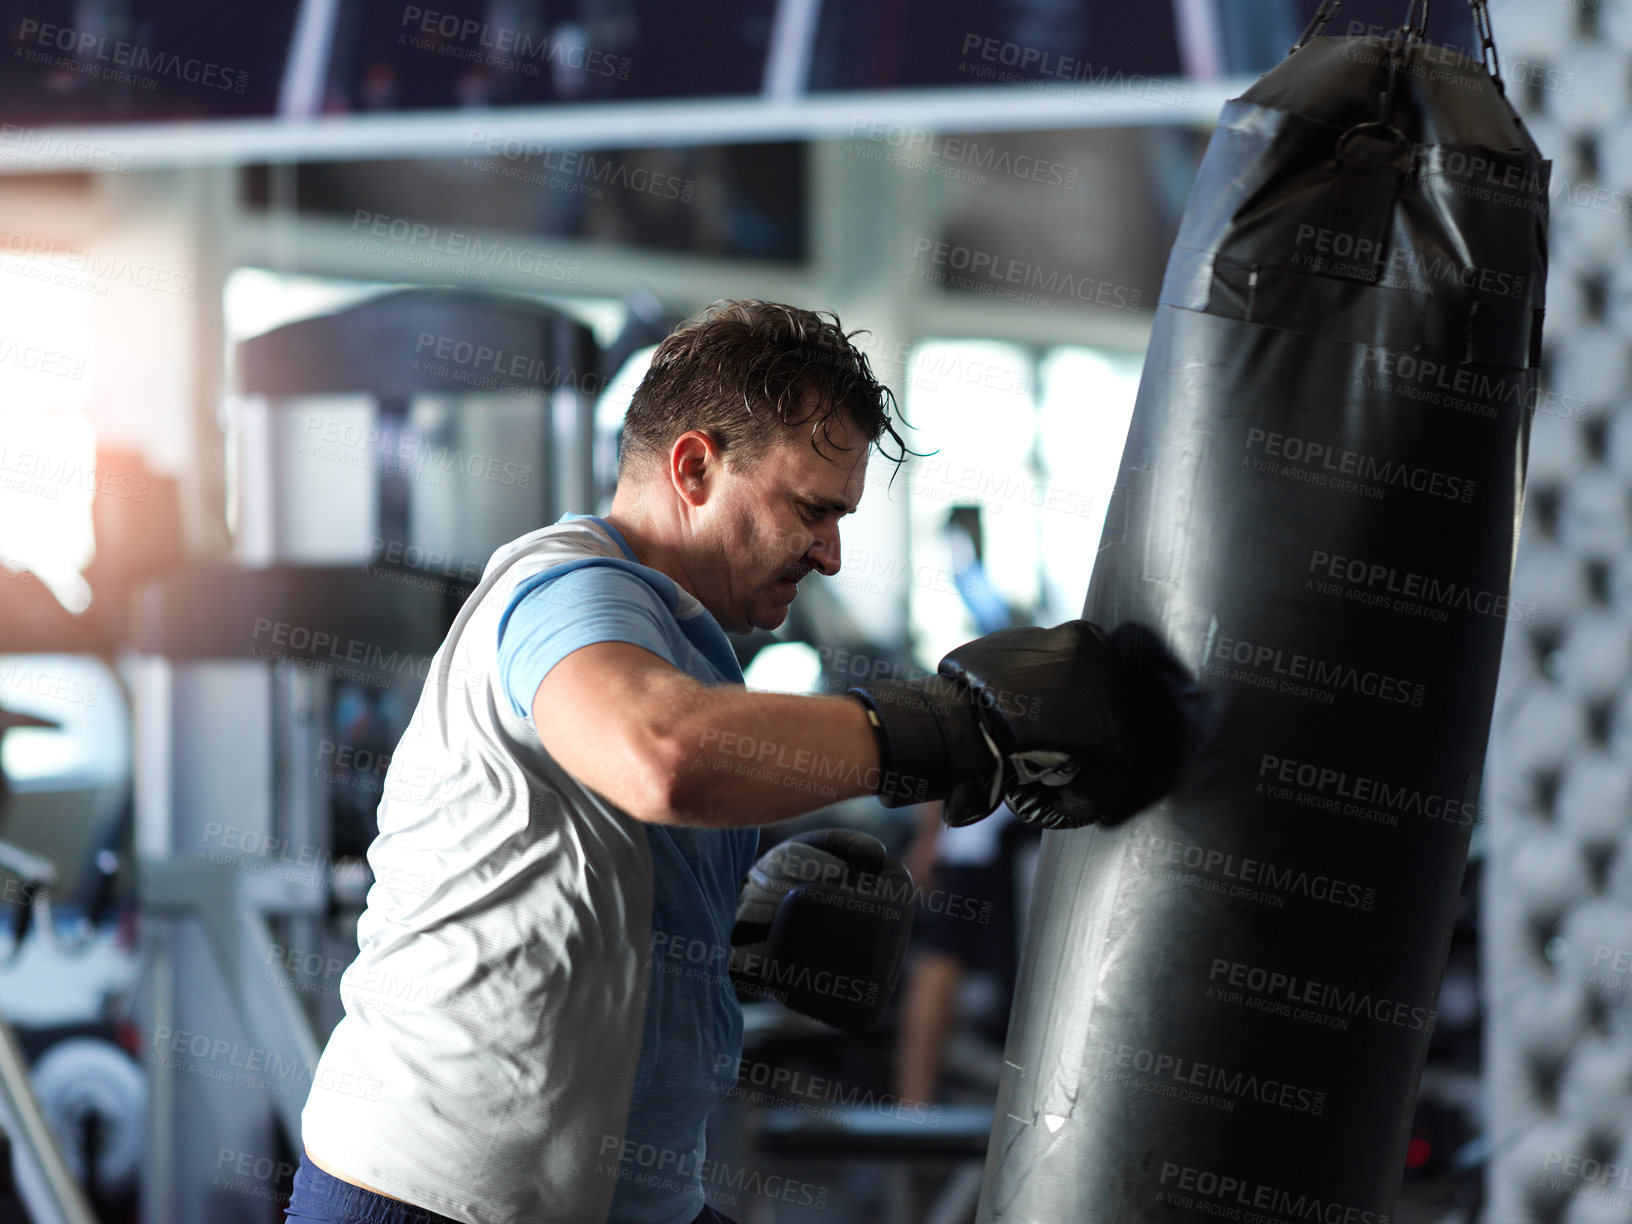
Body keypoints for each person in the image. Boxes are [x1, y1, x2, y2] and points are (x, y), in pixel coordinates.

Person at [286, 299, 1147, 1224]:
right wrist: (951, 732)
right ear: (693, 467)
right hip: (436, 1204)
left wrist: (720, 944)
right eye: (813, 509)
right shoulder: (567, 586)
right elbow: (659, 753)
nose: (832, 551)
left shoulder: (685, 644)